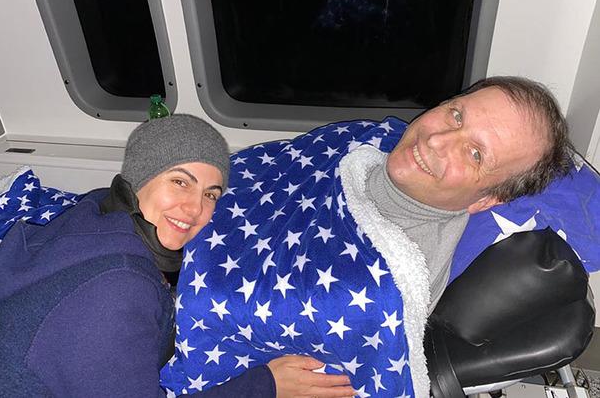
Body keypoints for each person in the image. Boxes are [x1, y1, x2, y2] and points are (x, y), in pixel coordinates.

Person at [161, 76, 572, 397]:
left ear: (485, 200)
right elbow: (267, 170)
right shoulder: (374, 140)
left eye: (475, 154)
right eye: (456, 115)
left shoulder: (376, 292)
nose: (436, 140)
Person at [0, 114, 354, 398]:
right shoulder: (117, 288)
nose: (195, 208)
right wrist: (267, 385)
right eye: (180, 182)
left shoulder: (95, 209)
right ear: (140, 178)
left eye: (210, 194)